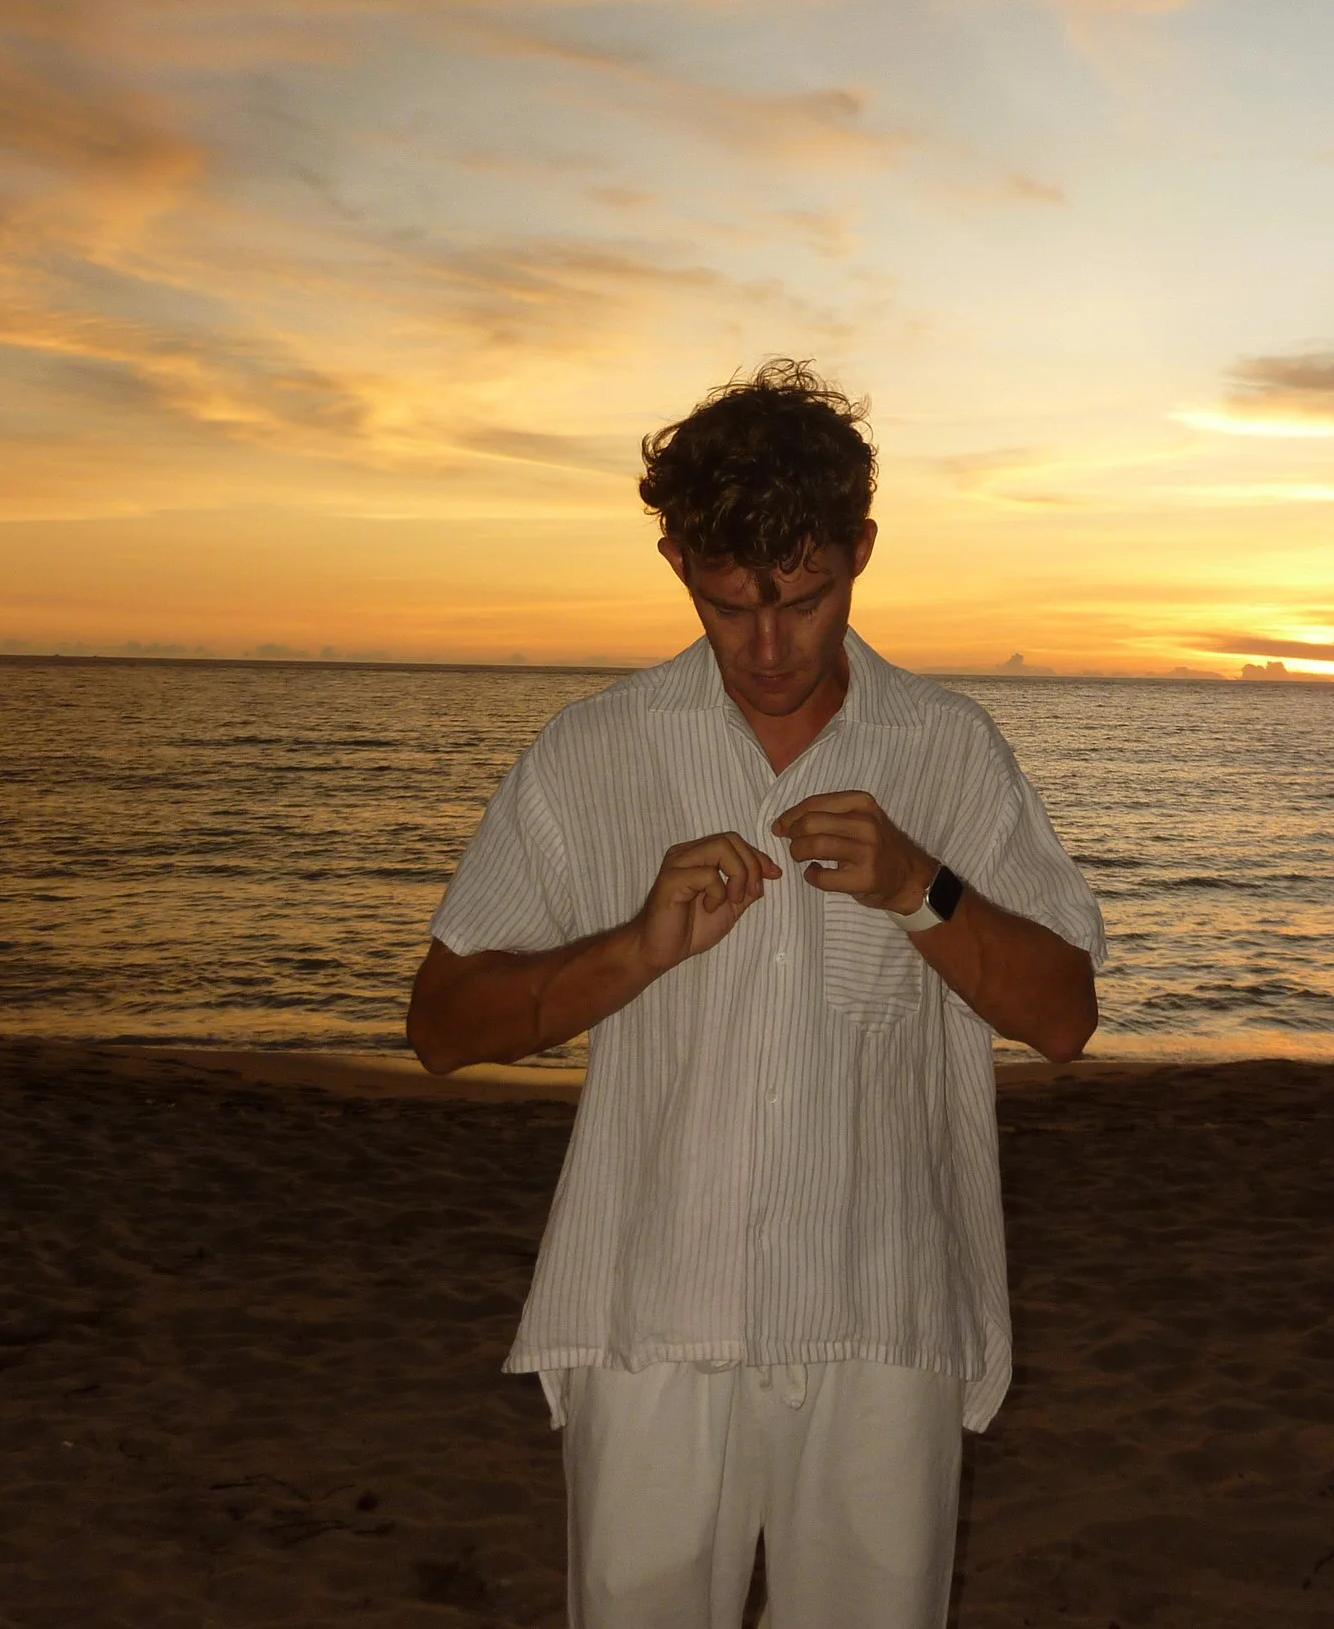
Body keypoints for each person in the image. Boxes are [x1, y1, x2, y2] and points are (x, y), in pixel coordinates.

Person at [405, 360, 1103, 1629]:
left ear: (860, 551)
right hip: (647, 1306)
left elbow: (1062, 1018)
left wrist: (921, 887)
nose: (770, 647)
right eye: (730, 606)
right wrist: (634, 949)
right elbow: (441, 1028)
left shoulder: (948, 748)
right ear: (677, 563)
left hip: (884, 1308)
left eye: (806, 597)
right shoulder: (592, 751)